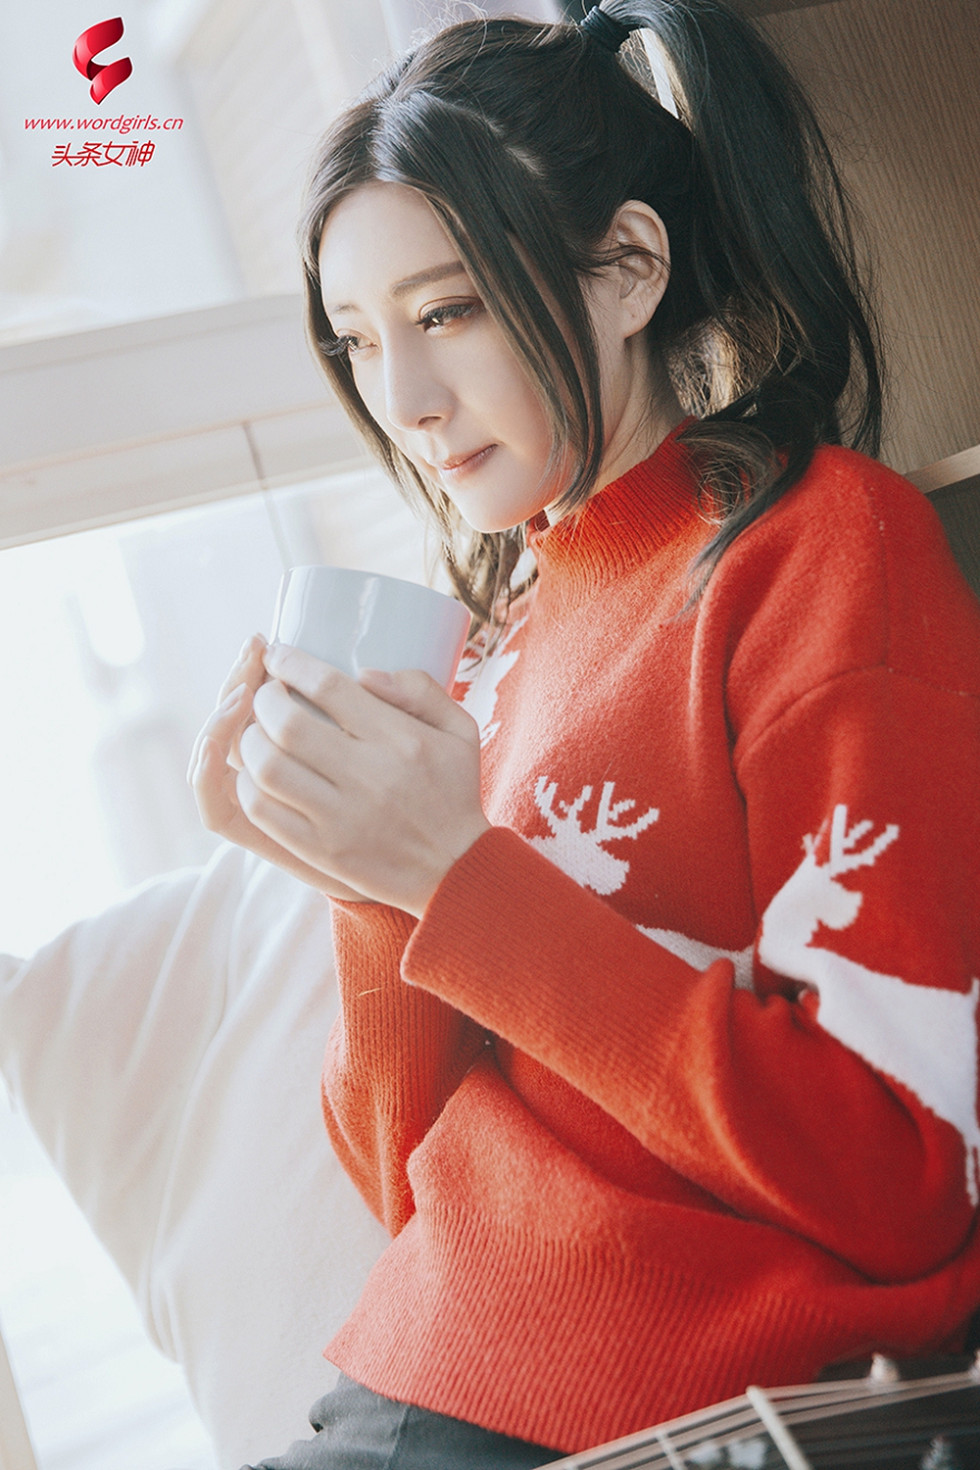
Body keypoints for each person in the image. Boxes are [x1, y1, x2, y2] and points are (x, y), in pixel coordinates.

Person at [189, 2, 980, 1465]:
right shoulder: (493, 642)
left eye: (448, 311)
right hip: (413, 1386)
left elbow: (904, 1175)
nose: (408, 401)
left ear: (627, 266)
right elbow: (405, 1187)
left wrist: (454, 874)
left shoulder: (821, 556)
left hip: (656, 1413)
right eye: (362, 341)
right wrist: (365, 871)